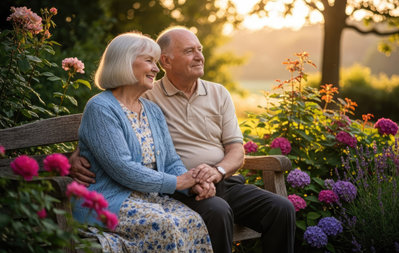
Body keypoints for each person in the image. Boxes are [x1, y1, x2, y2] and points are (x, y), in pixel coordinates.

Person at [71, 27, 296, 253]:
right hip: (166, 188)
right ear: (166, 61)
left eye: (200, 49)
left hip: (209, 180)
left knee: (281, 208)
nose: (155, 68)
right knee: (207, 213)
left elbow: (229, 151)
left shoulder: (176, 102)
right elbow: (109, 146)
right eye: (190, 51)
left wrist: (211, 174)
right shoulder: (145, 95)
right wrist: (77, 153)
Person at [73, 31, 213, 252]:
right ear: (125, 62)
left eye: (156, 62)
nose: (156, 69)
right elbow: (123, 168)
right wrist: (178, 183)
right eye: (149, 61)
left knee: (192, 220)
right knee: (165, 225)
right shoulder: (100, 108)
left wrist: (193, 183)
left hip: (149, 200)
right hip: (108, 202)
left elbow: (171, 161)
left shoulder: (152, 110)